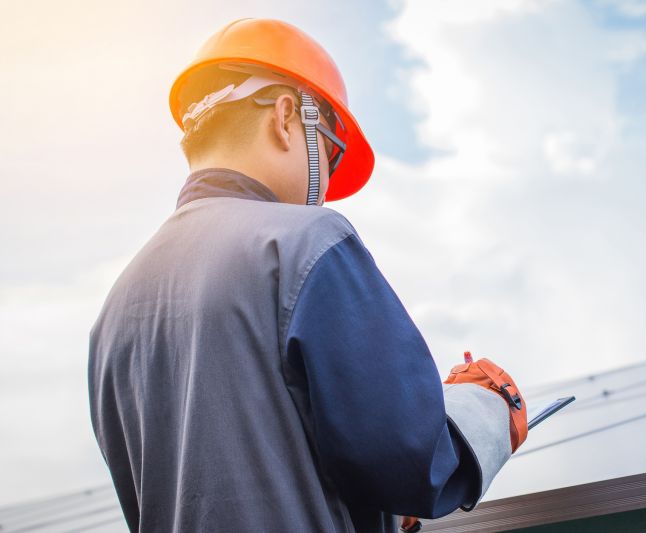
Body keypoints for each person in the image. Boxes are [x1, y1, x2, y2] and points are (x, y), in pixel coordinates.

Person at [88, 18, 529, 533]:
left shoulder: (114, 312)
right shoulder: (307, 242)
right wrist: (489, 406)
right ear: (285, 116)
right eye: (330, 149)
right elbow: (413, 463)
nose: (327, 175)